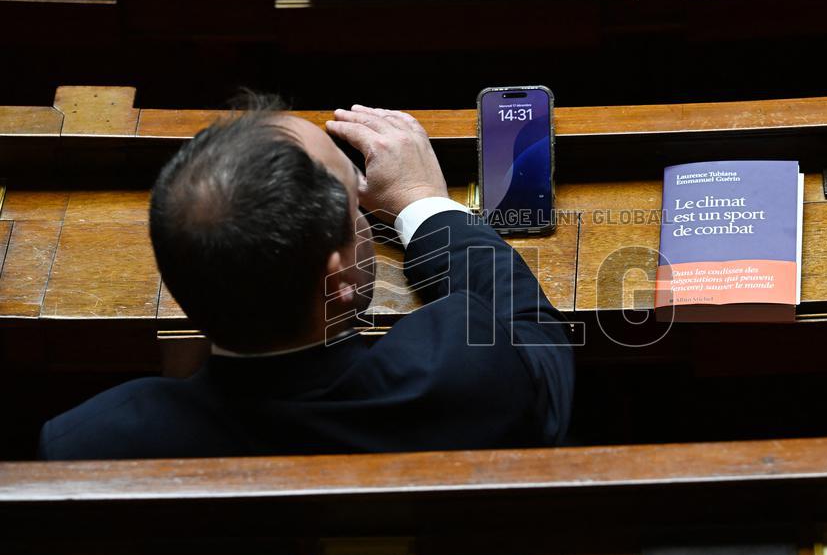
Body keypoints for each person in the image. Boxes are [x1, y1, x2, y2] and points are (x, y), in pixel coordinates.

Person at [38, 99, 574, 459]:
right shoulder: (465, 375)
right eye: (355, 203)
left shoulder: (84, 444)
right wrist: (421, 202)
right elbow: (532, 336)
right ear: (337, 280)